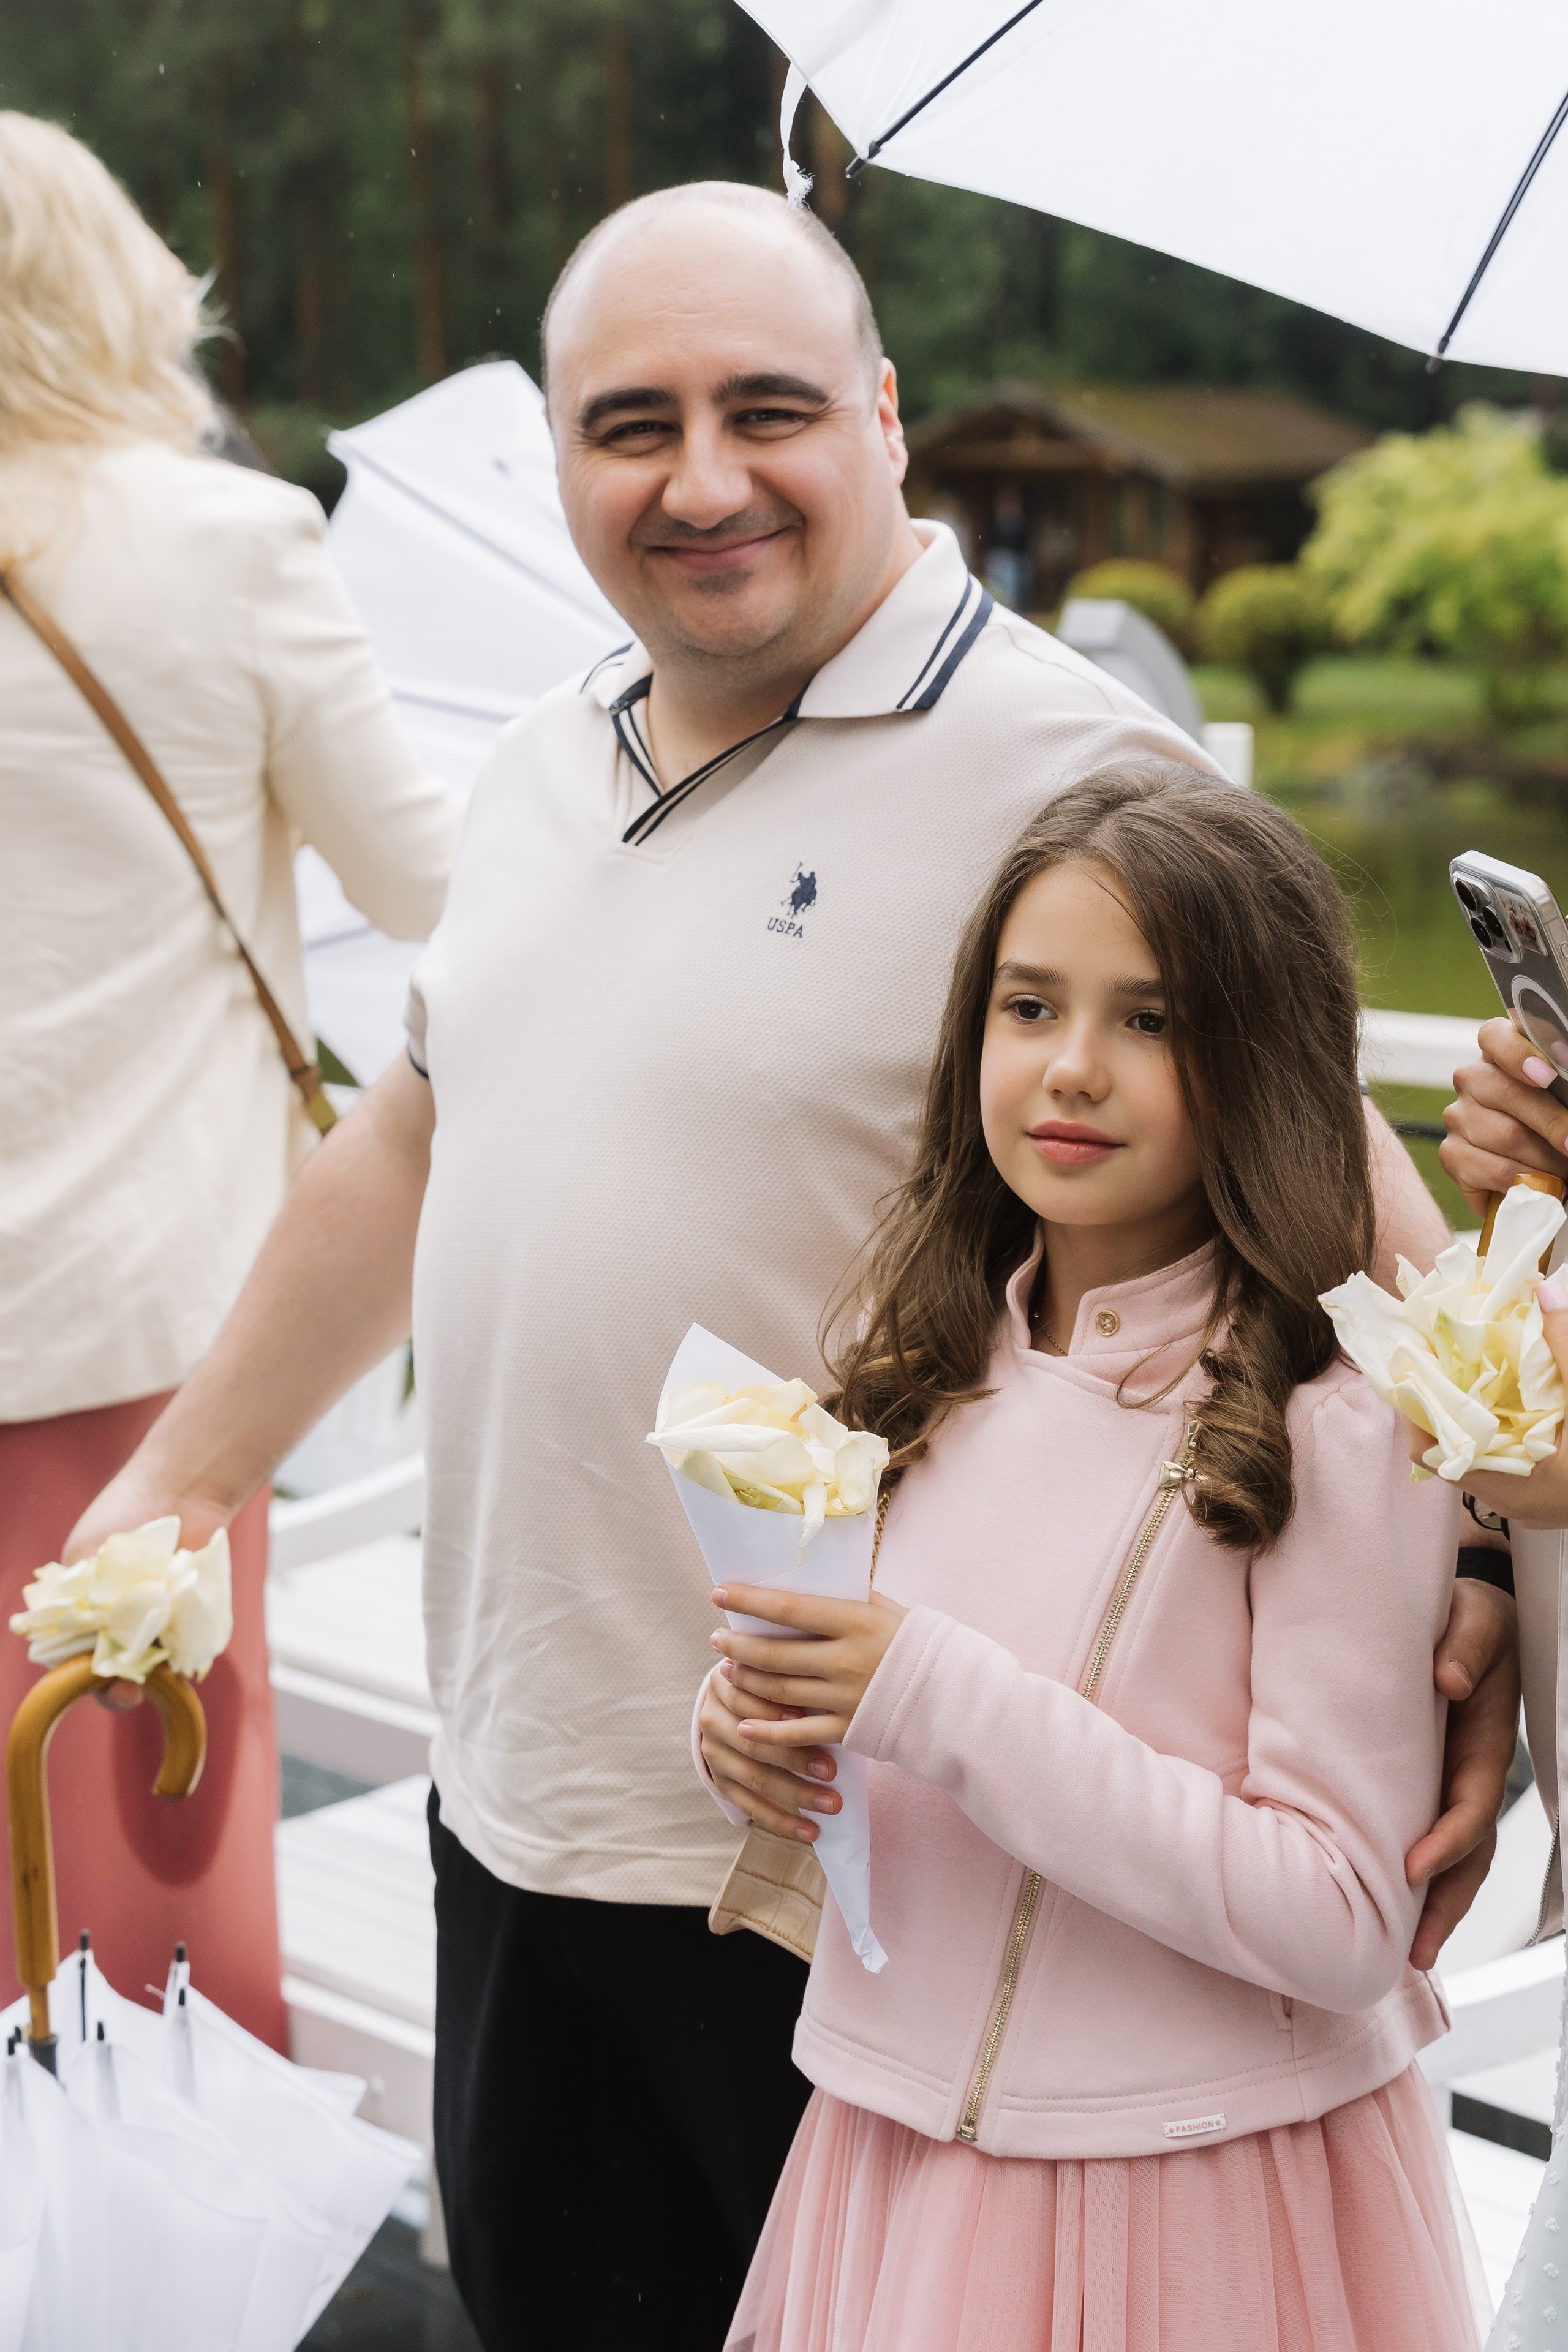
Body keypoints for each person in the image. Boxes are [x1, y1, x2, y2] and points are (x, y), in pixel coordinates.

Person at [67, 180, 1506, 2347]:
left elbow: (1373, 1247)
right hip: (518, 1795)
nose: (704, 478)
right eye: (630, 423)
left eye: (770, 409)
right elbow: (424, 1133)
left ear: (891, 419)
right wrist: (175, 1480)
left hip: (841, 1875)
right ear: (558, 452)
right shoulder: (556, 750)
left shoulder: (1081, 774)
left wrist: (1477, 1573)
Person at [698, 764, 1480, 2352]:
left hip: (1194, 2202)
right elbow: (893, 1749)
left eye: (1153, 1020)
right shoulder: (909, 1372)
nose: (1072, 1070)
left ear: (1264, 1058)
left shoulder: (1330, 1424)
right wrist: (751, 1736)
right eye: (1030, 1005)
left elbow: (1342, 1922)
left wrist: (937, 1696)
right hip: (893, 2164)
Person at [0, 113, 458, 2045]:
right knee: (125, 1889)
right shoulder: (230, 544)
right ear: (115, 287)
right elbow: (432, 886)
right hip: (140, 1340)